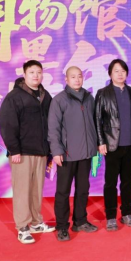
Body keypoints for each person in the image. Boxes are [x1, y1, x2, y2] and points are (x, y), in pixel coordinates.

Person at [0, 60, 55, 244]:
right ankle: (22, 227)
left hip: (41, 151)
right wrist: (14, 149)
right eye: (32, 72)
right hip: (21, 153)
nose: (36, 76)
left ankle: (36, 222)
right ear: (24, 74)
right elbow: (7, 125)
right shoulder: (14, 97)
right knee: (22, 190)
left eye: (39, 72)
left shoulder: (45, 96)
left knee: (36, 190)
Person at [47, 66, 99, 241]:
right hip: (67, 154)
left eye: (79, 76)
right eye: (73, 77)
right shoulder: (59, 100)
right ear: (66, 79)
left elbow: (94, 123)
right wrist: (56, 151)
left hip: (86, 153)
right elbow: (53, 129)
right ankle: (62, 226)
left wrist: (95, 145)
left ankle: (80, 221)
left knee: (83, 189)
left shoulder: (89, 98)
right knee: (63, 191)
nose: (77, 79)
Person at [95, 59, 131, 231]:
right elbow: (97, 119)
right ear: (110, 74)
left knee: (127, 181)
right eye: (116, 71)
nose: (120, 74)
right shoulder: (103, 93)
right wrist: (101, 142)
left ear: (127, 73)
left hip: (129, 144)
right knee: (110, 182)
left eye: (123, 71)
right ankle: (111, 216)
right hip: (111, 144)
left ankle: (127, 213)